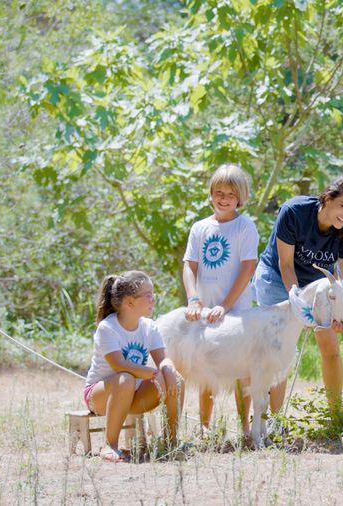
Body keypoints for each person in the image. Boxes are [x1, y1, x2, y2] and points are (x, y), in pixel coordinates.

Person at [254, 175, 343, 415]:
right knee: (280, 348)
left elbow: (339, 283)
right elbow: (286, 265)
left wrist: (335, 314)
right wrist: (298, 304)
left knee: (329, 342)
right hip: (277, 277)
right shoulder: (294, 211)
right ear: (327, 198)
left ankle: (336, 415)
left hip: (318, 283)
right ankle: (275, 419)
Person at [182, 164, 259, 436]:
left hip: (235, 310)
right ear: (211, 194)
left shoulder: (245, 227)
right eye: (218, 192)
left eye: (230, 193)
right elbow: (189, 266)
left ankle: (245, 426)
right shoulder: (200, 228)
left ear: (241, 197)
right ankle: (204, 426)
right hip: (204, 312)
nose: (224, 198)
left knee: (242, 369)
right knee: (206, 366)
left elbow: (247, 268)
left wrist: (225, 306)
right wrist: (194, 299)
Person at [83, 271, 183, 462]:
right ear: (129, 302)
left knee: (176, 380)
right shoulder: (108, 328)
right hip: (100, 397)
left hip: (133, 394)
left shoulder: (149, 326)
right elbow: (119, 364)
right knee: (125, 378)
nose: (153, 299)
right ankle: (109, 445)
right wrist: (154, 373)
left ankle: (170, 442)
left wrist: (167, 368)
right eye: (148, 295)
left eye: (152, 293)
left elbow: (163, 358)